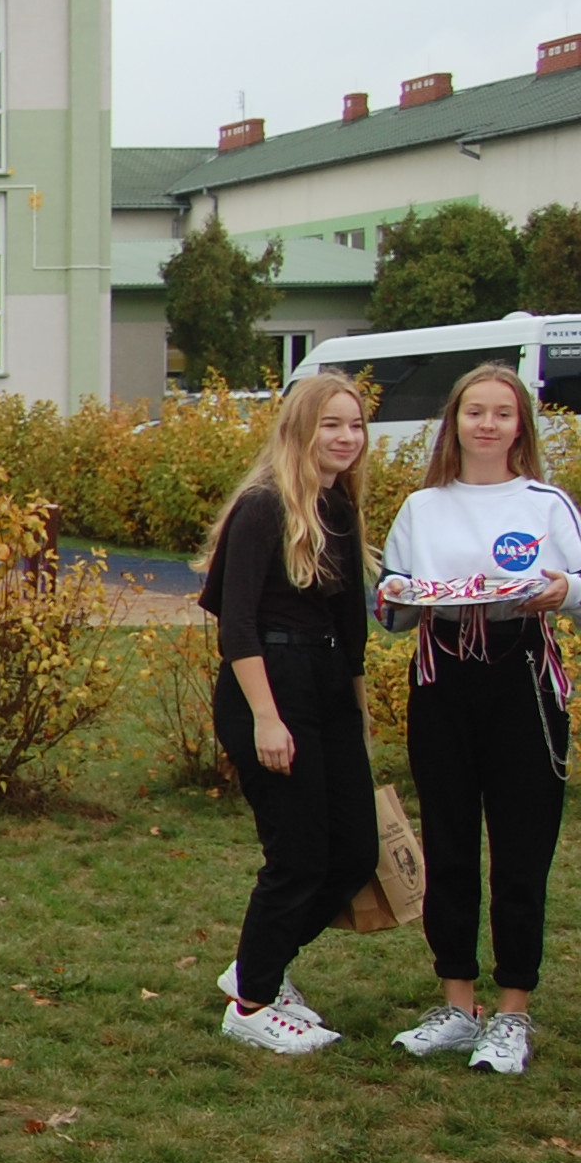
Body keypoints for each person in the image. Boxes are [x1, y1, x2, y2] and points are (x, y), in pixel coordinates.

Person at [377, 362, 581, 1075]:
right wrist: (397, 595)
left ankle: (512, 1012)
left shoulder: (546, 504)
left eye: (502, 413)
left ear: (521, 425)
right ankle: (457, 1004)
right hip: (443, 681)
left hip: (522, 679)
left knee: (522, 850)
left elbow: (579, 582)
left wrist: (562, 588)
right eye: (474, 412)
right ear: (455, 422)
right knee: (450, 844)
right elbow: (393, 606)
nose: (487, 424)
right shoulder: (422, 507)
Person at [197, 371, 377, 1055]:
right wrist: (268, 719)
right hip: (270, 686)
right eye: (331, 424)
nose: (346, 438)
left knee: (354, 851)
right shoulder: (263, 506)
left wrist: (356, 712)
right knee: (298, 855)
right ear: (300, 429)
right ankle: (251, 1004)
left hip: (327, 687)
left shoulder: (339, 507)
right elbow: (237, 624)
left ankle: (257, 964)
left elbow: (351, 627)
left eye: (355, 425)